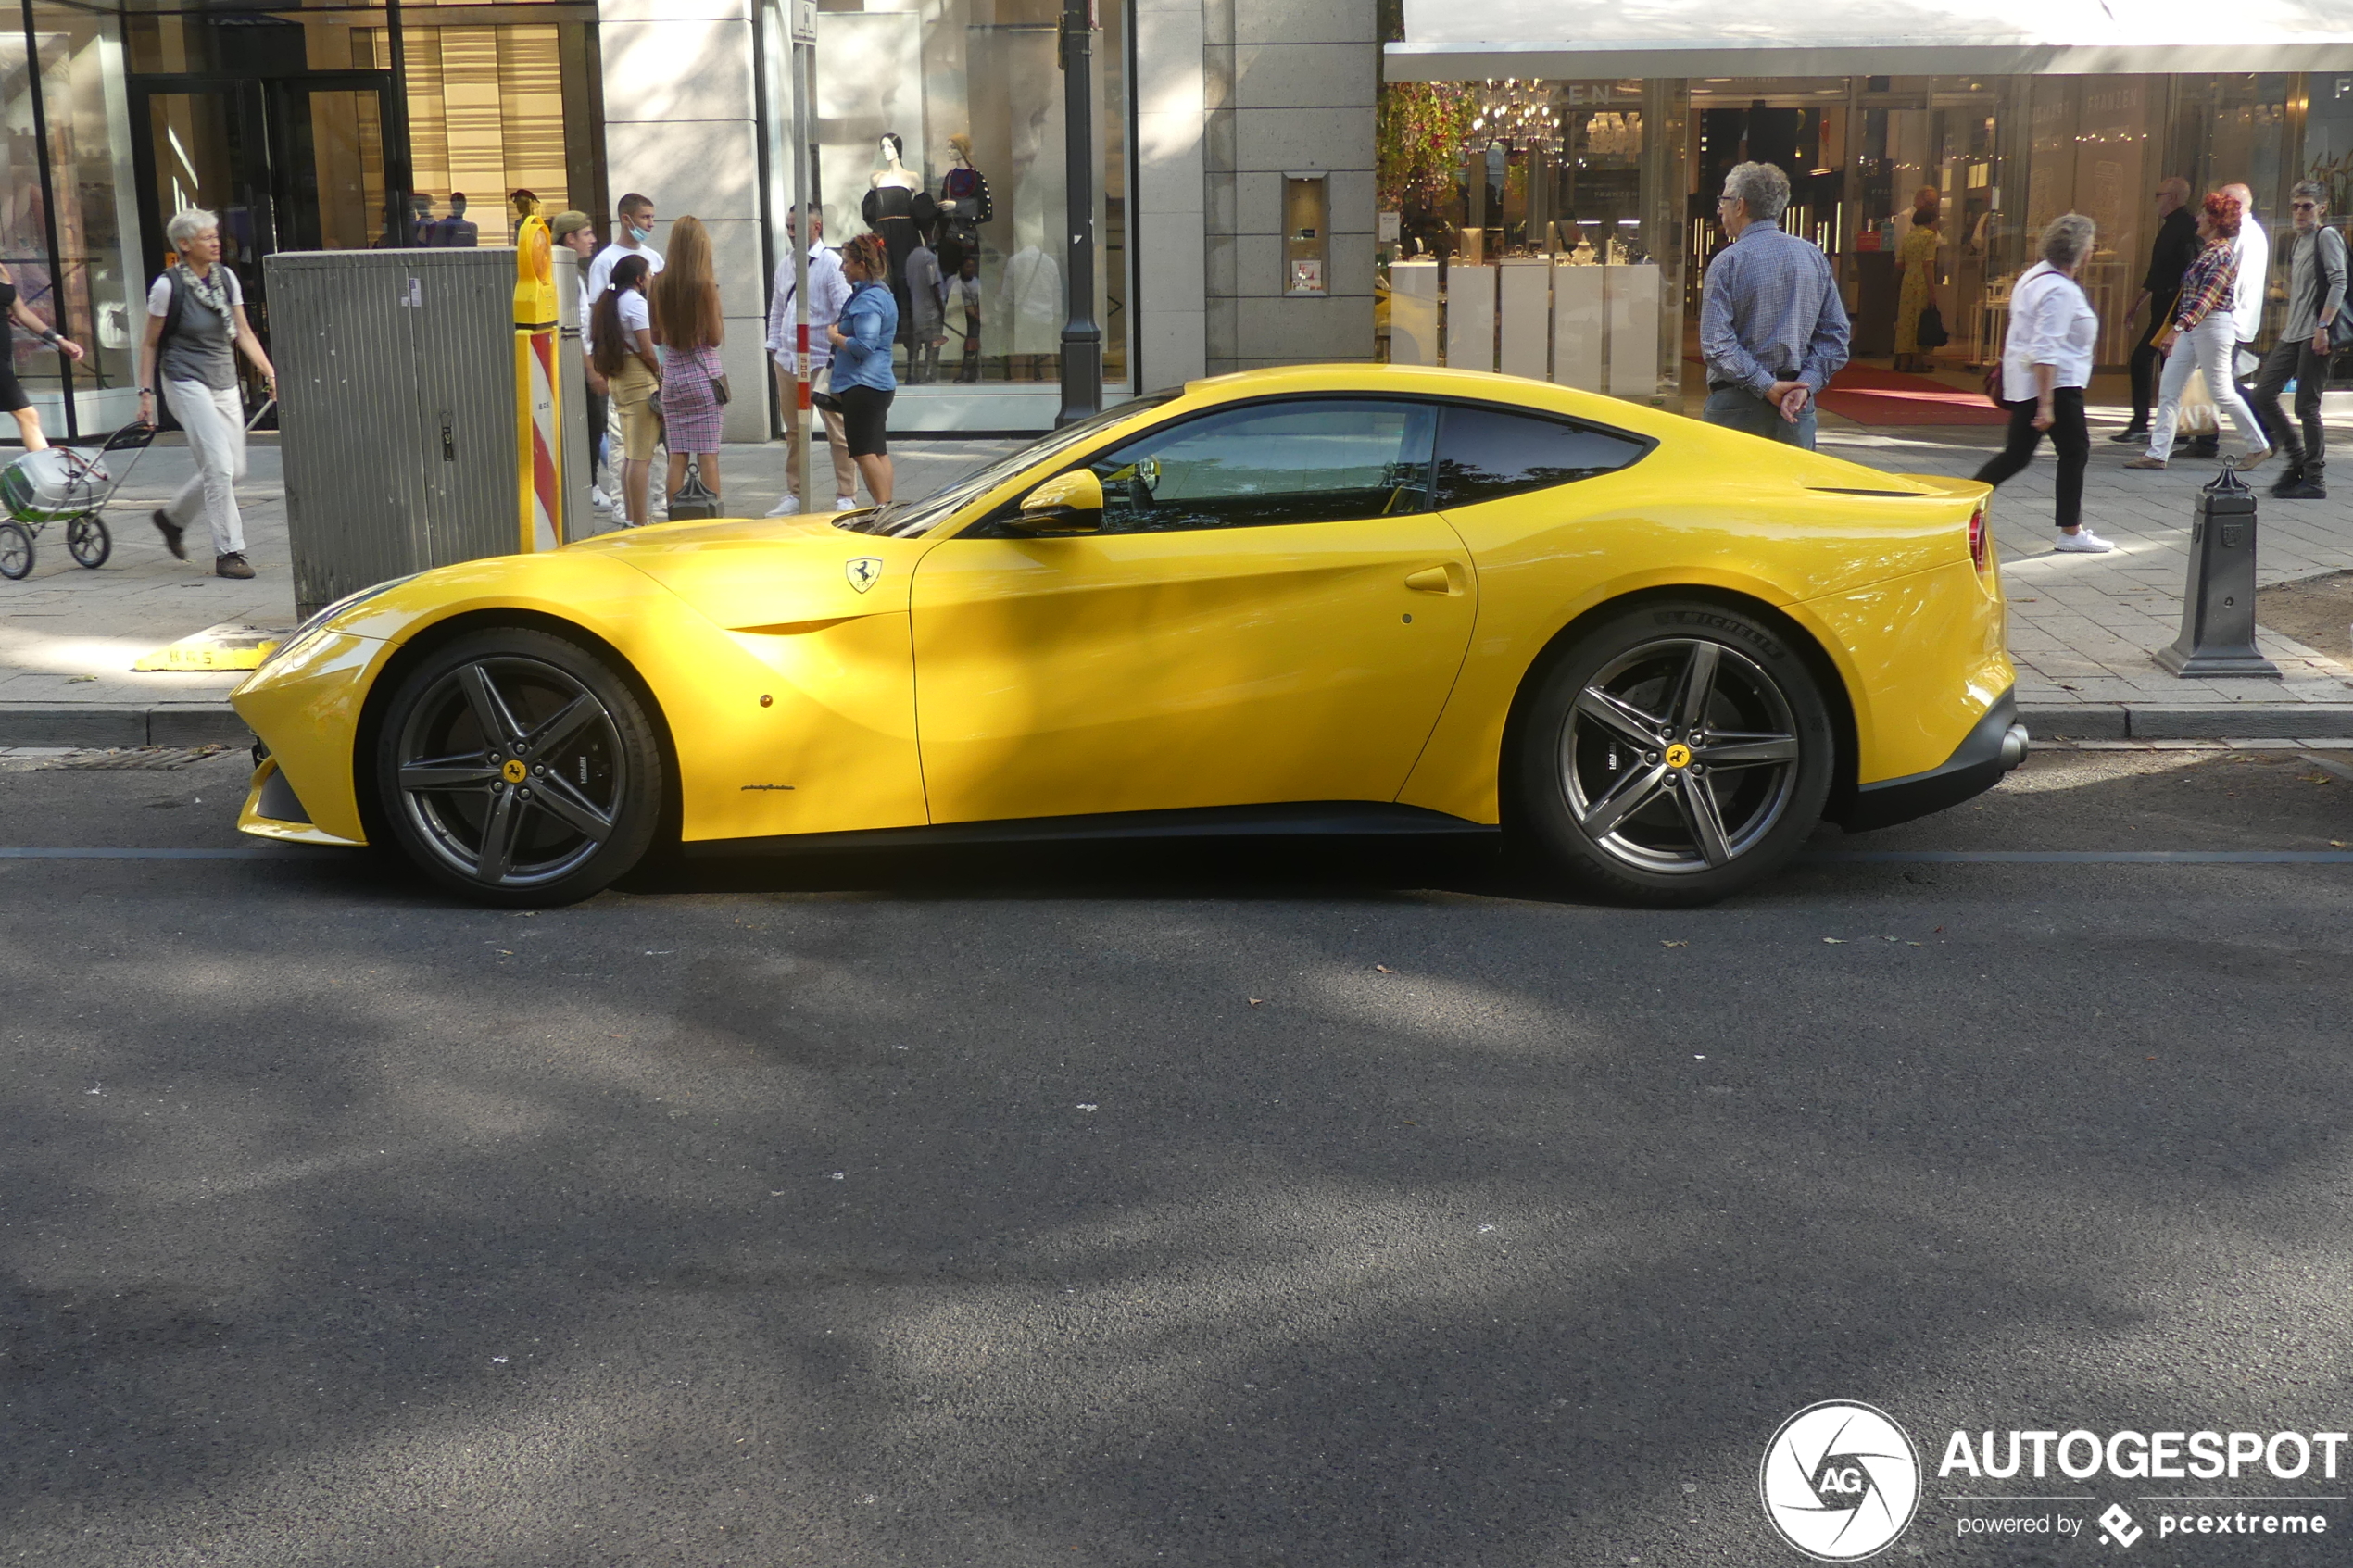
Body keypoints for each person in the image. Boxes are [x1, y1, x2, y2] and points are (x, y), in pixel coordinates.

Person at [136, 208, 276, 580]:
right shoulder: (167, 287)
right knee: (218, 467)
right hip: (184, 381)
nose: (216, 242)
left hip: (223, 379)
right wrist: (145, 393)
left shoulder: (225, 278)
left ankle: (172, 519)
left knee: (236, 471)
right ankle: (230, 552)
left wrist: (271, 373)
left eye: (216, 235)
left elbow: (243, 332)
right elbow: (149, 343)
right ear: (184, 244)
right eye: (207, 237)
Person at [1973, 214, 2109, 553]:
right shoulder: (2059, 290)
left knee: (2017, 456)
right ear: (2082, 252)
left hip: (2033, 381)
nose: (2093, 250)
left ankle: (1963, 503)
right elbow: (2046, 348)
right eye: (2091, 244)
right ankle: (2071, 531)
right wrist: (2046, 403)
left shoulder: (2035, 276)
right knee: (2074, 452)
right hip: (2054, 384)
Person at [1698, 160, 1850, 448]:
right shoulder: (1812, 257)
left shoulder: (1728, 262)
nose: (1720, 209)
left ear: (1740, 205)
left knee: (1732, 491)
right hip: (1797, 406)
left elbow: (1716, 344)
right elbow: (1836, 337)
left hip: (1737, 406)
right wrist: (1805, 385)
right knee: (1791, 490)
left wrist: (1766, 386)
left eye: (1724, 199)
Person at [2126, 192, 2271, 471]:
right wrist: (2182, 327)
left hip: (2213, 327)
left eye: (2205, 214)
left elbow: (2207, 297)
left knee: (2221, 391)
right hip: (2196, 328)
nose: (2198, 218)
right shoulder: (2209, 250)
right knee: (2169, 387)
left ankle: (2259, 446)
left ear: (2216, 220)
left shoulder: (2222, 254)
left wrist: (2178, 328)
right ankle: (2157, 453)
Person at [2249, 182, 2346, 500]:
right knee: (2263, 394)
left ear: (2321, 208)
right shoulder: (2298, 242)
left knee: (2306, 405)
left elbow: (2339, 280)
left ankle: (2315, 478)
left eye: (2307, 206)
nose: (2300, 212)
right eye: (2295, 206)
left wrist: (2323, 326)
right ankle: (2295, 460)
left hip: (2316, 333)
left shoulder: (2326, 236)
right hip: (2293, 332)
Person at [763, 204, 856, 516]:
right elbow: (778, 308)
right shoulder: (786, 264)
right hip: (788, 358)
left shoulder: (831, 264)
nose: (791, 233)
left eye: (797, 227)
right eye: (788, 227)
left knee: (837, 430)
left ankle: (846, 494)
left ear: (816, 228)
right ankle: (796, 493)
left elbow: (844, 310)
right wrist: (775, 346)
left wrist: (837, 350)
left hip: (819, 358)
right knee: (794, 431)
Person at [649, 214, 725, 510]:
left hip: (673, 376)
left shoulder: (657, 283)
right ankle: (710, 518)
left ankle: (675, 517)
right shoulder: (705, 284)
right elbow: (715, 338)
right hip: (704, 376)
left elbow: (656, 337)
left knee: (677, 454)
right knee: (708, 454)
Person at [2112, 178, 2196, 445]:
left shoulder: (2182, 227)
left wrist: (2178, 314)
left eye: (2158, 195)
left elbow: (2174, 271)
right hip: (2168, 304)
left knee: (2146, 360)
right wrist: (2138, 302)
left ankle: (2146, 423)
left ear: (2171, 197)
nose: (2155, 201)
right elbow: (2157, 272)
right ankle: (2173, 426)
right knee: (2166, 364)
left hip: (2173, 306)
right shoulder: (2175, 227)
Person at [548, 210, 613, 510]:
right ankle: (590, 486)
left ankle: (590, 484)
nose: (593, 240)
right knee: (590, 425)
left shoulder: (575, 273)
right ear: (570, 238)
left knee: (593, 424)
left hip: (585, 360)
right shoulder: (562, 275)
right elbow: (570, 329)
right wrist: (590, 370)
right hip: (577, 365)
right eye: (586, 234)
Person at [826, 232, 898, 506]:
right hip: (875, 383)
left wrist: (835, 338)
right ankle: (886, 508)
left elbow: (864, 346)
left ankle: (883, 509)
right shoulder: (878, 293)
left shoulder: (868, 300)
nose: (842, 268)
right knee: (877, 451)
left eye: (846, 262)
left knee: (863, 452)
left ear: (861, 265)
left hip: (863, 385)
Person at [590, 254, 660, 527]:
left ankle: (632, 517)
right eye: (650, 274)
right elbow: (647, 348)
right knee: (641, 456)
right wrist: (659, 373)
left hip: (619, 380)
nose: (652, 278)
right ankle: (640, 521)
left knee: (631, 455)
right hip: (638, 380)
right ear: (639, 279)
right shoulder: (635, 303)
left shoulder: (611, 303)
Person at [0, 257, 85, 451]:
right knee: (27, 415)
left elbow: (22, 312)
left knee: (27, 416)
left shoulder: (2, 270)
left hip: (3, 355)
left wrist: (57, 339)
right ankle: (48, 471)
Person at [585, 192, 662, 305]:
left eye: (652, 217)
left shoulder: (655, 257)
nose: (651, 224)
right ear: (626, 219)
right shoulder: (605, 261)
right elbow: (597, 306)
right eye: (645, 217)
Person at [1894, 204, 1940, 372]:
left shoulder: (1909, 237)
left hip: (1908, 279)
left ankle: (1904, 361)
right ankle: (1917, 361)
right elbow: (1928, 264)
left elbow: (1899, 262)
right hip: (1921, 280)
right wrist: (1932, 291)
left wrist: (1911, 268)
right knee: (1919, 319)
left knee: (1906, 320)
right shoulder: (1929, 236)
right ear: (1931, 220)